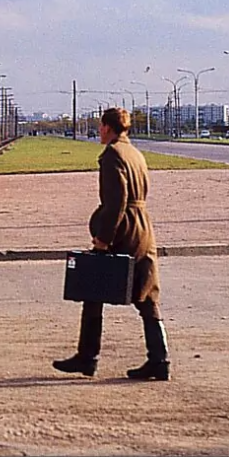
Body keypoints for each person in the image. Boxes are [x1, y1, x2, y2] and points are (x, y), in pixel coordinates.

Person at [52, 107, 170, 381]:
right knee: (147, 294)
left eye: (100, 127)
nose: (99, 132)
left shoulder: (112, 155)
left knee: (93, 289)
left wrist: (103, 239)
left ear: (107, 127)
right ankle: (160, 360)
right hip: (143, 228)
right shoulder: (136, 154)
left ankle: (87, 358)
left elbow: (116, 201)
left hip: (123, 229)